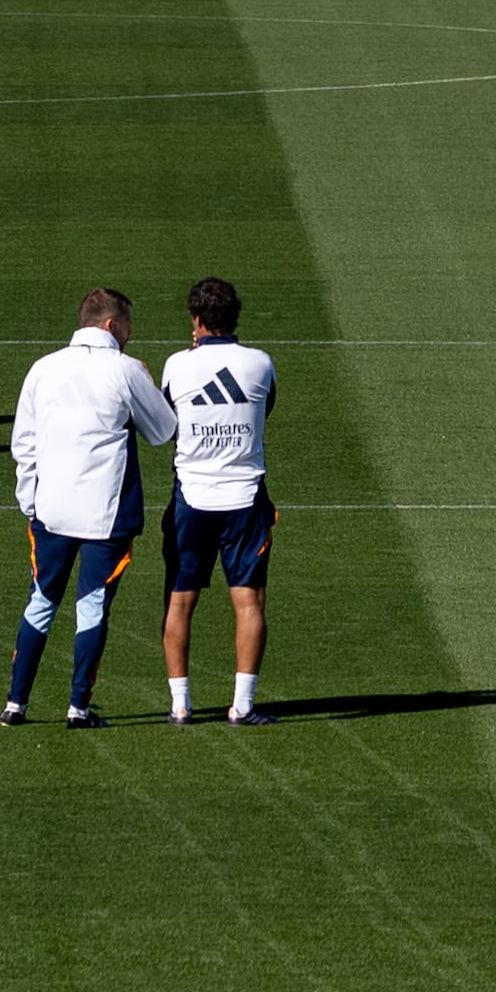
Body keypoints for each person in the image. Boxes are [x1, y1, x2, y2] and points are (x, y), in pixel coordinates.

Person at [4, 286, 174, 728]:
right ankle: (78, 707)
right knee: (92, 606)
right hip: (107, 512)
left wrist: (30, 502)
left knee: (41, 601)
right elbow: (162, 430)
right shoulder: (124, 369)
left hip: (52, 508)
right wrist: (147, 381)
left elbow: (24, 443)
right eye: (129, 328)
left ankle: (15, 703)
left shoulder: (42, 368)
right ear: (111, 326)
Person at [157, 275, 279, 726]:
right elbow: (264, 411)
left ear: (196, 320)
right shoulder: (260, 363)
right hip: (245, 497)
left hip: (191, 495)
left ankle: (180, 705)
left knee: (180, 599)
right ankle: (242, 705)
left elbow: (167, 419)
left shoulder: (176, 365)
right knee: (249, 602)